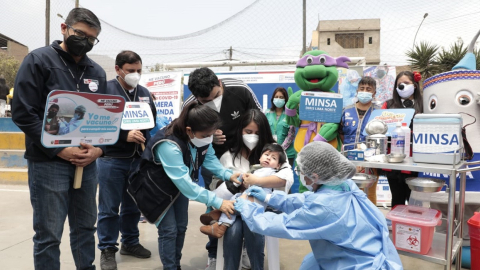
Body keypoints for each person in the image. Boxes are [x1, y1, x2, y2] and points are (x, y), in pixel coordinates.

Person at [11, 8, 106, 270]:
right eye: (80, 34)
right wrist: (58, 150)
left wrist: (98, 150)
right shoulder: (38, 61)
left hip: (86, 164)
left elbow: (107, 120)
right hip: (48, 163)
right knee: (49, 234)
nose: (85, 41)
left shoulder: (96, 71)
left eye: (91, 38)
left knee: (86, 227)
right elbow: (23, 113)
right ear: (64, 28)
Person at [237, 142, 403, 270]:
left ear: (314, 176)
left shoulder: (324, 207)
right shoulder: (342, 185)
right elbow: (306, 200)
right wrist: (269, 197)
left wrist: (246, 206)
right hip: (360, 250)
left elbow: (279, 224)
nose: (300, 175)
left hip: (357, 264)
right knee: (311, 262)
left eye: (301, 172)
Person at [128, 102, 241, 270]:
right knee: (169, 230)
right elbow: (184, 184)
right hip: (156, 190)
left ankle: (176, 264)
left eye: (211, 134)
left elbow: (209, 159)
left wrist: (228, 174)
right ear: (189, 130)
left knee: (181, 227)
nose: (209, 139)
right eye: (206, 135)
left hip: (177, 188)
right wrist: (218, 202)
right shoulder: (169, 144)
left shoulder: (201, 136)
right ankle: (170, 267)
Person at [183, 67, 261, 268]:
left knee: (246, 203)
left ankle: (243, 249)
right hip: (213, 163)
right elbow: (188, 135)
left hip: (244, 158)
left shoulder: (240, 90)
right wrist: (209, 138)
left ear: (219, 82)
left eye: (214, 97)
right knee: (216, 206)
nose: (210, 103)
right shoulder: (190, 104)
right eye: (204, 101)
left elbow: (258, 119)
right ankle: (214, 253)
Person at [97, 51, 156, 270]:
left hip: (137, 159)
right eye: (131, 71)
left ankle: (130, 242)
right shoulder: (107, 90)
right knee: (109, 208)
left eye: (139, 70)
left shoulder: (144, 93)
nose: (136, 75)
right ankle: (107, 248)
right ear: (118, 69)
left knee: (132, 207)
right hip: (112, 159)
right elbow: (98, 123)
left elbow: (151, 122)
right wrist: (124, 135)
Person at [211, 109, 292, 270]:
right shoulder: (229, 156)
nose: (252, 136)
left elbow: (285, 178)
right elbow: (216, 190)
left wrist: (257, 181)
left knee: (252, 224)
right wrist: (234, 184)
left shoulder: (275, 152)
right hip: (234, 208)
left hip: (264, 207)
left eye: (257, 132)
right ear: (240, 130)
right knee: (234, 230)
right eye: (248, 131)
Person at [199, 143, 291, 238]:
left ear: (278, 166)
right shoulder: (257, 169)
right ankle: (220, 223)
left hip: (256, 201)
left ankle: (218, 218)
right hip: (249, 197)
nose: (268, 158)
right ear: (260, 157)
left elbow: (257, 181)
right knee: (234, 199)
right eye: (266, 155)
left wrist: (247, 179)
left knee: (234, 203)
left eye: (274, 158)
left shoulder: (271, 172)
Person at [382, 71, 423, 208]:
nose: (402, 86)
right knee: (397, 198)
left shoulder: (423, 105)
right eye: (400, 84)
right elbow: (381, 130)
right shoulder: (388, 105)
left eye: (406, 83)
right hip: (394, 160)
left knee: (415, 200)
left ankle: (416, 227)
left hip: (417, 159)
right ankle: (397, 226)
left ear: (415, 85)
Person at [339, 76, 380, 204]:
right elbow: (341, 132)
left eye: (368, 89)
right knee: (347, 193)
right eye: (362, 88)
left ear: (374, 93)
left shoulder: (379, 112)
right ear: (357, 91)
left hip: (371, 161)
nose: (365, 91)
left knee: (369, 194)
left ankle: (371, 220)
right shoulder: (346, 111)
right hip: (348, 160)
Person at [265, 87, 297, 166]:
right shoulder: (267, 113)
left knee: (284, 177)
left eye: (281, 97)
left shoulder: (289, 114)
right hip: (270, 152)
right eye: (276, 97)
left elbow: (291, 135)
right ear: (273, 99)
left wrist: (280, 149)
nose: (278, 99)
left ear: (285, 99)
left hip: (287, 154)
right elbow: (263, 131)